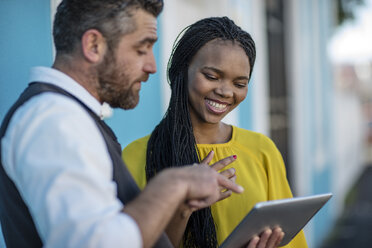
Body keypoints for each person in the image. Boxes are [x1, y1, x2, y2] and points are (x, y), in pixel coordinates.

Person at [0, 1, 247, 248]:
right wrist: (173, 185)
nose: (152, 66)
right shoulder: (54, 120)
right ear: (94, 46)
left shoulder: (65, 116)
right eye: (142, 49)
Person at [122, 17, 308, 248]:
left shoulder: (262, 150)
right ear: (182, 69)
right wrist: (183, 207)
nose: (225, 91)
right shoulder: (136, 156)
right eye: (211, 76)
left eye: (239, 84)